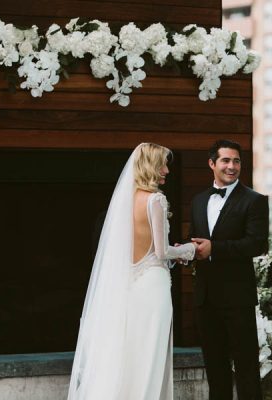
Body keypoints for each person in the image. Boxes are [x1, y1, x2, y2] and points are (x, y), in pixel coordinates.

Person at [67, 143, 196, 400]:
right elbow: (160, 252)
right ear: (149, 165)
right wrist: (188, 249)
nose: (167, 171)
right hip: (154, 286)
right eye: (162, 164)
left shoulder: (125, 202)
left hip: (132, 285)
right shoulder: (155, 200)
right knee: (150, 352)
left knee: (131, 351)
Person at [189, 139, 269, 400]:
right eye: (225, 160)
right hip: (206, 297)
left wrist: (216, 248)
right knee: (215, 368)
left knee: (246, 368)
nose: (232, 166)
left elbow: (256, 244)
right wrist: (187, 253)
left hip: (238, 298)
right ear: (212, 163)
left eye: (236, 161)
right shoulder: (199, 201)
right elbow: (196, 239)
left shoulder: (254, 200)